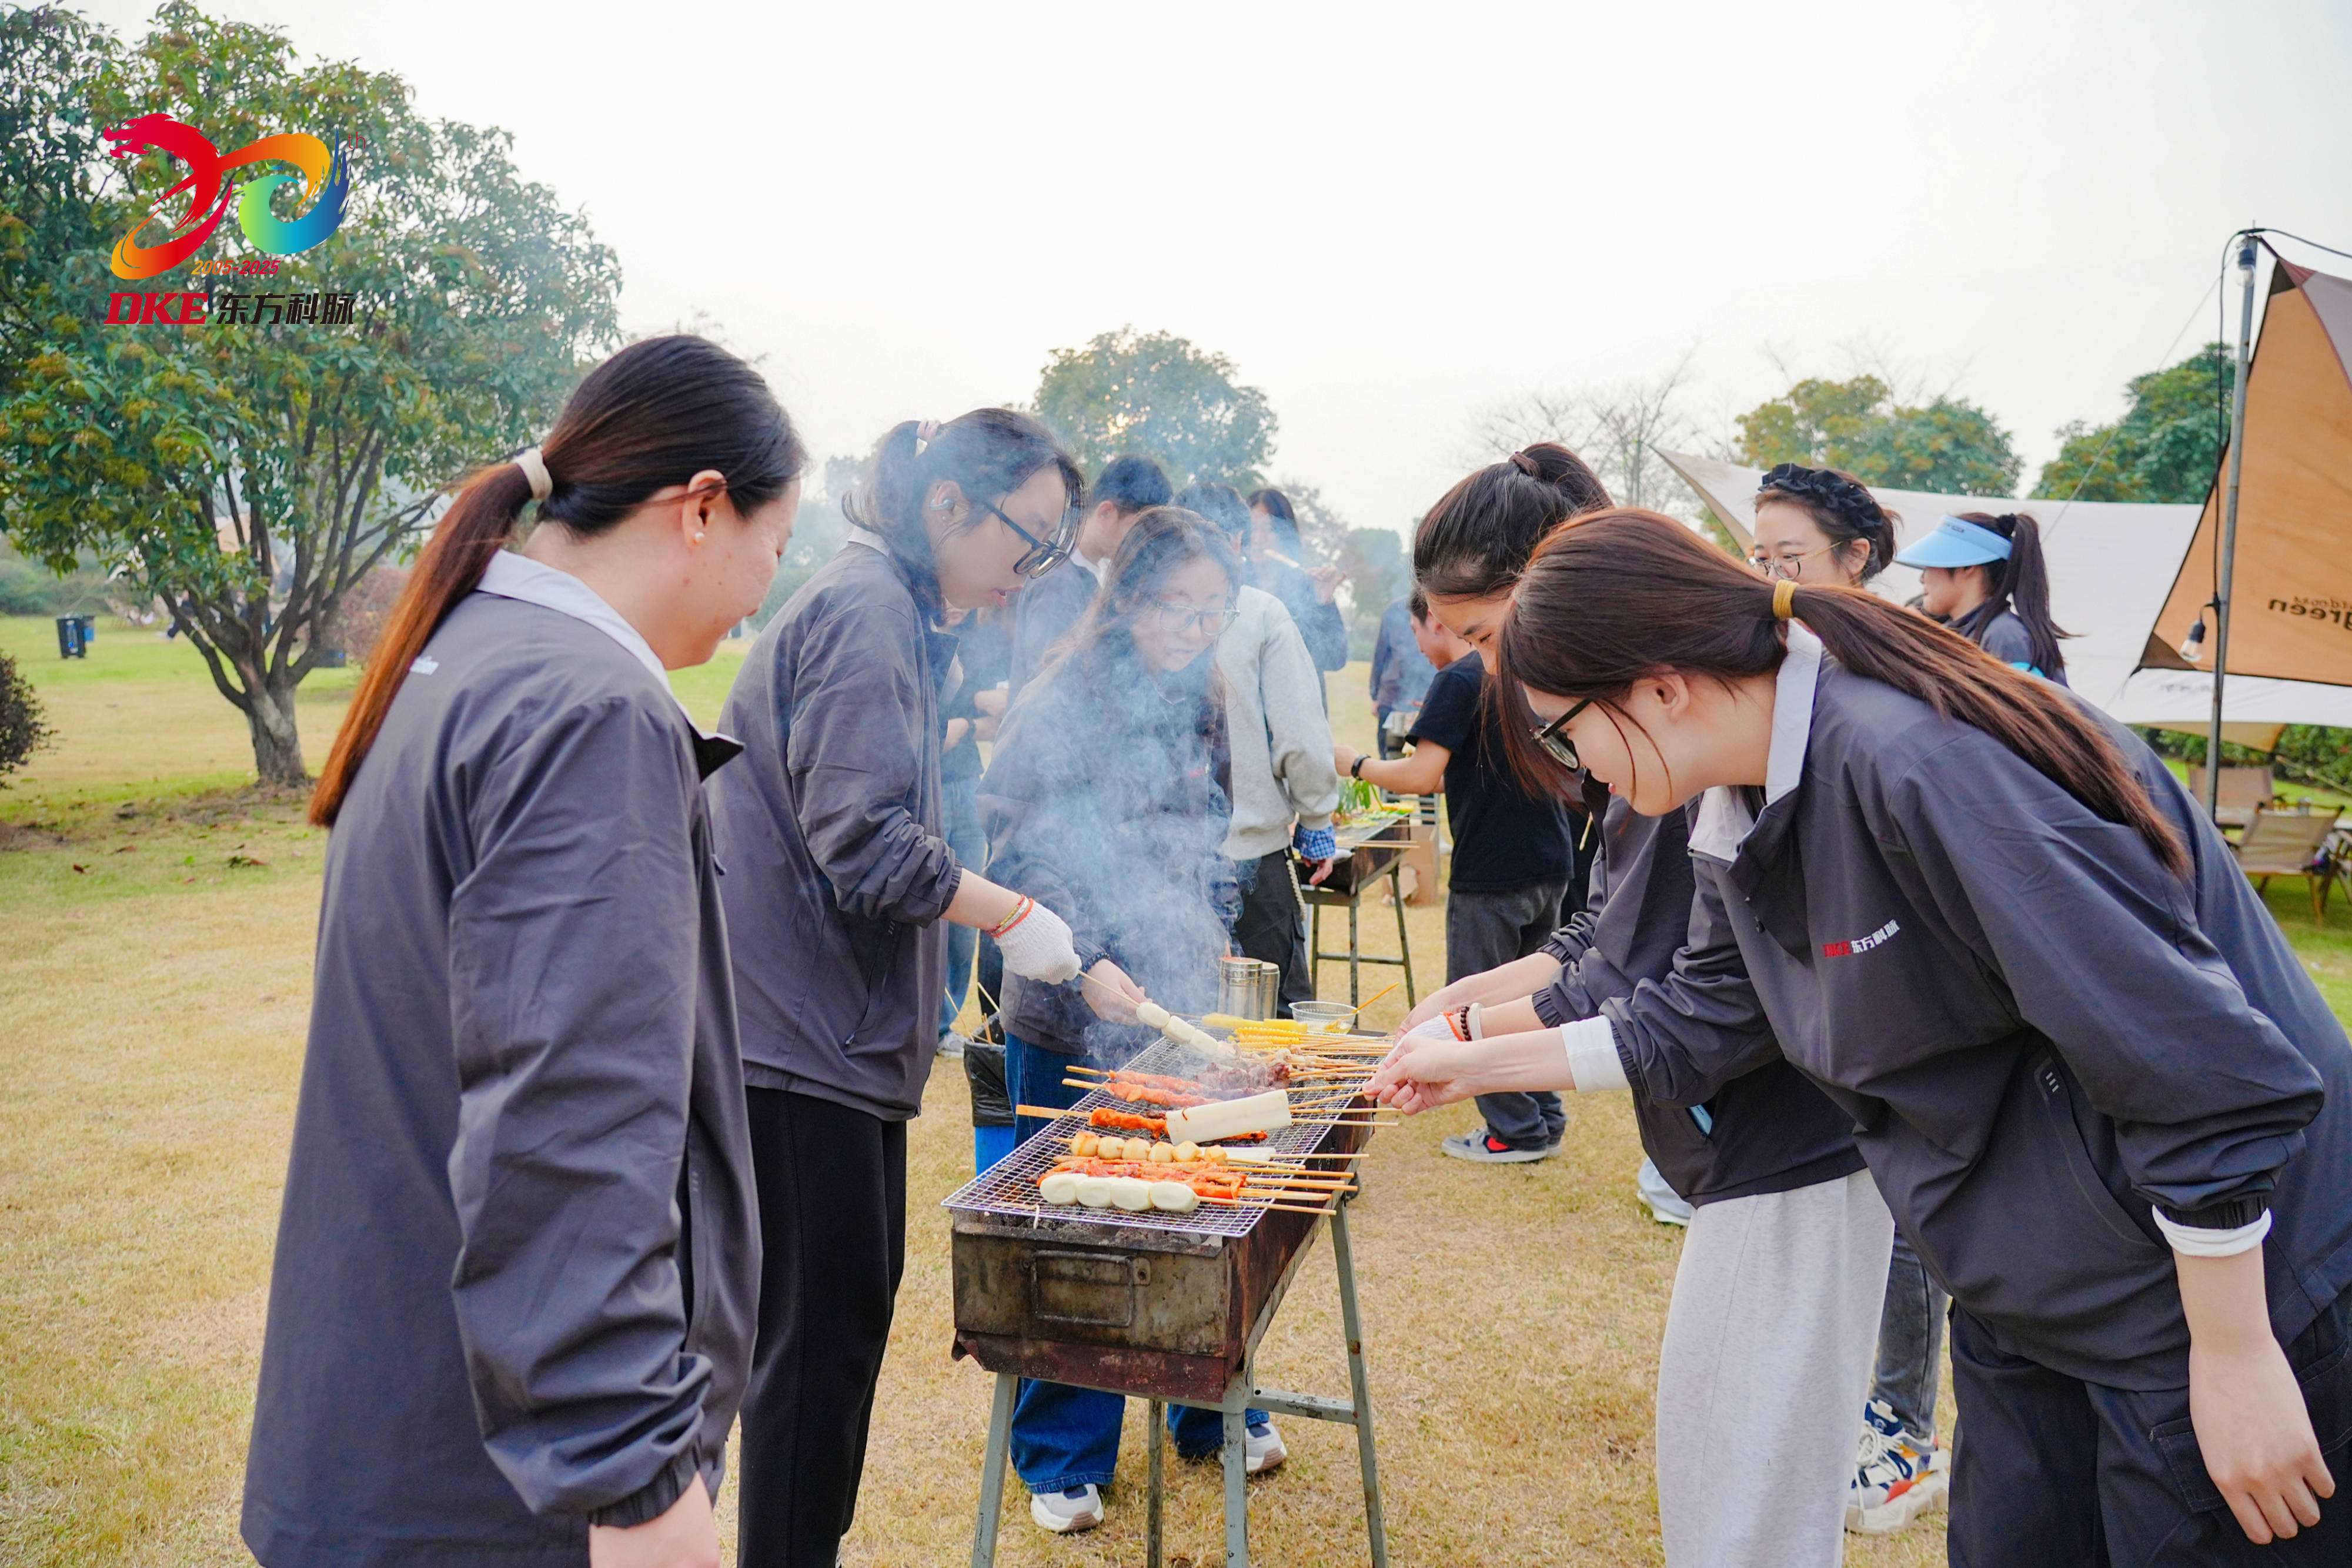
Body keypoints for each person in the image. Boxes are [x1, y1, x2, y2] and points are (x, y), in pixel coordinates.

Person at [1425, 507, 2352, 1563]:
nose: (1578, 767)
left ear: (1661, 688)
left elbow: (2195, 1065)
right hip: (2027, 1279)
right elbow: (1707, 1017)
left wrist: (2235, 1350)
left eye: (1564, 728)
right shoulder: (1738, 803)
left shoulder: (1920, 761)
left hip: (2212, 1280)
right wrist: (1469, 1059)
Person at [245, 335, 804, 1568]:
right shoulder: (589, 710)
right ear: (703, 507)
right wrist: (641, 1490)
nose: (768, 583)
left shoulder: (465, 655)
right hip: (492, 1495)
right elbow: (572, 1127)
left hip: (388, 1434)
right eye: (776, 541)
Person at [1379, 449, 1887, 1568]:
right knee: (1718, 1486)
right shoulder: (1660, 736)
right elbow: (1601, 944)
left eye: (1484, 636)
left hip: (1790, 1144)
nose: (1487, 670)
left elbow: (1681, 1006)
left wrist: (1466, 1053)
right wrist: (1467, 1008)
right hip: (1753, 1154)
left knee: (1750, 1511)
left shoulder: (1707, 742)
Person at [711, 409, 1099, 1568]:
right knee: (812, 1345)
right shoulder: (867, 606)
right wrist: (1015, 917)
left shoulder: (901, 611)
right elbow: (863, 839)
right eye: (1025, 539)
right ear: (948, 507)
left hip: (830, 1034)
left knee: (838, 1327)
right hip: (793, 1035)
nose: (1027, 572)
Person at [981, 507, 1288, 1532]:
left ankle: (1204, 1406)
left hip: (1175, 989)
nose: (1199, 626)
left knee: (1199, 1208)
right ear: (1128, 596)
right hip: (1070, 1000)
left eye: (1216, 608)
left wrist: (1208, 930)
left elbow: (1210, 829)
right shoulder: (1060, 695)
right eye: (1178, 605)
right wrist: (1090, 958)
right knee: (1083, 1229)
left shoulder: (1206, 689)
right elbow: (1017, 845)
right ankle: (1062, 1451)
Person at [1754, 463, 1952, 1536]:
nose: (1770, 582)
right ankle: (1877, 1414)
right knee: (1880, 1209)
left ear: (1857, 561)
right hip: (1842, 978)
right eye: (1759, 559)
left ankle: (1906, 1434)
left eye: (1791, 561)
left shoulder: (1892, 673)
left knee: (1914, 1214)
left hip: (1907, 984)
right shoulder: (1795, 666)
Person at [1338, 587, 1579, 1161]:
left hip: (1491, 871)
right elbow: (1453, 773)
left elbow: (1424, 776)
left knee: (1476, 1006)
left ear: (1436, 622)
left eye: (1418, 632)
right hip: (1549, 857)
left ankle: (1513, 1131)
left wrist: (1351, 763)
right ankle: (1543, 1117)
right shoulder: (1514, 668)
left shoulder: (1460, 679)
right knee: (1535, 995)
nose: (1418, 649)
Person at [1178, 480, 1341, 1007]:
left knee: (1186, 1021)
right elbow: (1300, 733)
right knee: (1273, 1025)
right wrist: (1317, 818)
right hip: (1254, 856)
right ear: (1239, 542)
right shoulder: (1261, 610)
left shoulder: (1143, 611)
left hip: (1168, 864)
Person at [1008, 452, 1172, 699]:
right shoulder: (1058, 580)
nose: (1145, 543)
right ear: (1106, 512)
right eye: (1139, 529)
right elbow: (1046, 678)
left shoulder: (1098, 571)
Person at [1896, 509, 2070, 684]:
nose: (1922, 578)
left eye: (1931, 565)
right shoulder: (1964, 632)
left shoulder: (2006, 639)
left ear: (1966, 566)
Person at [1245, 486, 1349, 683]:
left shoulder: (1306, 588)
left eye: (1268, 530)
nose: (1258, 539)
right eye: (1252, 529)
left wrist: (1324, 601)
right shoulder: (1233, 587)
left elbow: (1335, 659)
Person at [1369, 590, 1437, 757]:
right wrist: (1376, 695)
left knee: (1421, 759)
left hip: (1426, 697)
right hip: (1391, 698)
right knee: (1388, 756)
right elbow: (1381, 654)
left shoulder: (1438, 607)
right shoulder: (1394, 610)